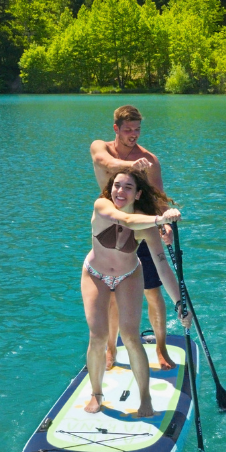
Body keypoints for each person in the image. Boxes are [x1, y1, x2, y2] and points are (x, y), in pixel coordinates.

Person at [81, 170, 192, 416]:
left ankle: (145, 399)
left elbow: (162, 267)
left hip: (129, 275)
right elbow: (127, 222)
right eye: (116, 186)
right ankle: (96, 393)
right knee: (98, 336)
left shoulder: (147, 224)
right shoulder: (102, 205)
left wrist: (179, 304)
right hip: (95, 275)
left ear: (138, 193)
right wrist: (161, 219)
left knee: (131, 337)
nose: (120, 191)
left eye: (127, 187)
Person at [90, 105, 175, 370]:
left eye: (137, 129)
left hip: (141, 227)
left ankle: (161, 349)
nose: (133, 134)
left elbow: (159, 196)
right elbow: (107, 164)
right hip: (111, 227)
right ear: (116, 128)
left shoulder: (149, 160)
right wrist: (131, 166)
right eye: (128, 129)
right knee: (113, 293)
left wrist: (165, 225)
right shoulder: (100, 147)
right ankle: (111, 351)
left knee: (152, 291)